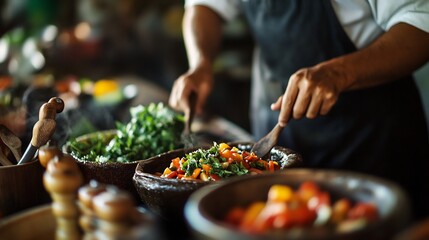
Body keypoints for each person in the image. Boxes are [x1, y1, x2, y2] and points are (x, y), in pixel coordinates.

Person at [168, 0, 429, 221]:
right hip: (275, 128)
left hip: (371, 135)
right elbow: (205, 6)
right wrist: (200, 63)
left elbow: (421, 23)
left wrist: (340, 72)